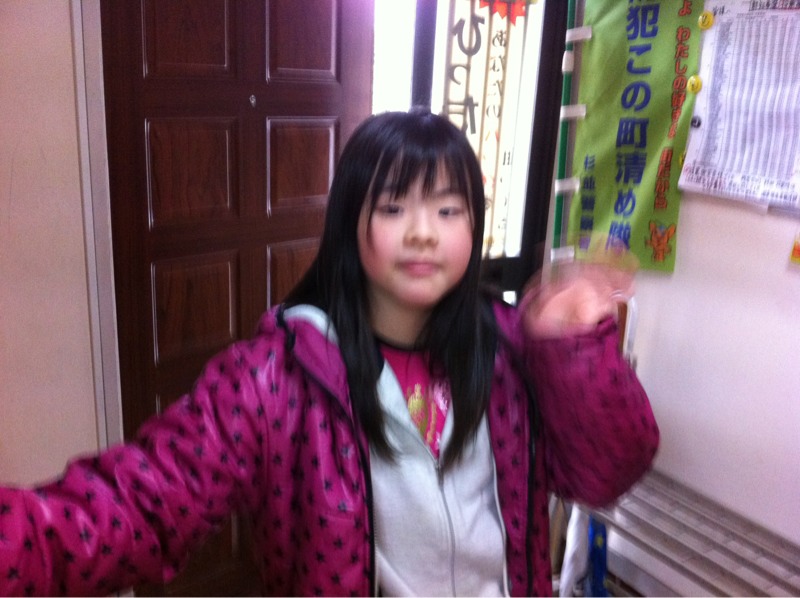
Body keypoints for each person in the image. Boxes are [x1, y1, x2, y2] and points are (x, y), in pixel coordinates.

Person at [0, 110, 658, 597]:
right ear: (351, 222)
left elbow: (608, 473)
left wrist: (573, 350)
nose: (423, 233)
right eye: (394, 207)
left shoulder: (511, 351)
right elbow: (143, 503)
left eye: (448, 210)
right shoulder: (275, 376)